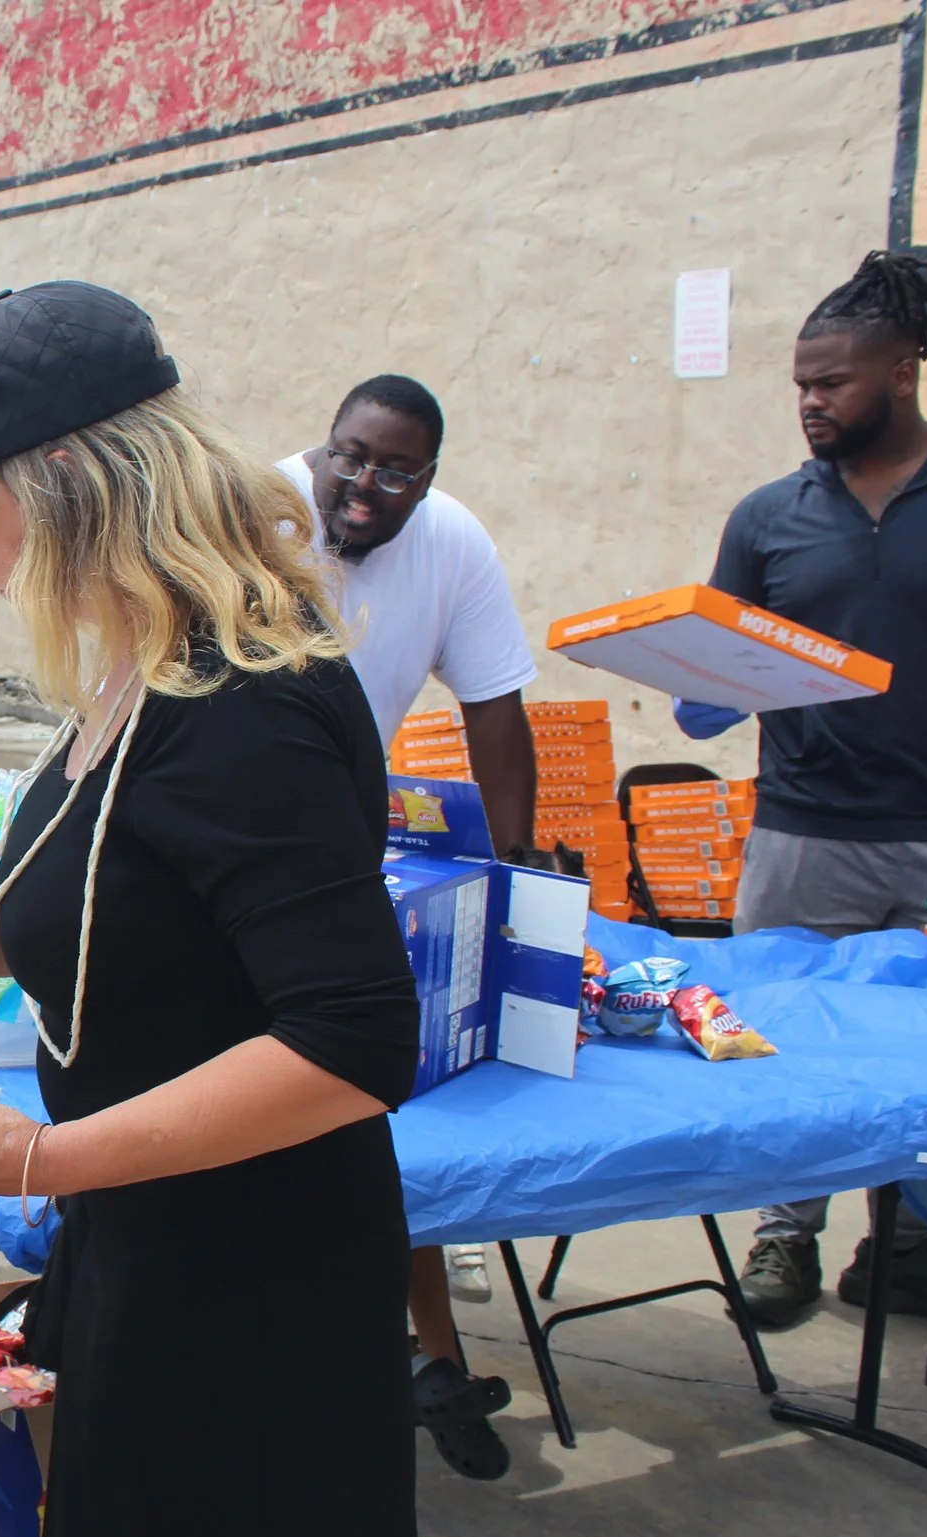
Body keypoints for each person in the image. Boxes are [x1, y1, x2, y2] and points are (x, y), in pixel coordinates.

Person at [0, 283, 426, 1537]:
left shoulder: (250, 702)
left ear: (71, 480)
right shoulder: (145, 662)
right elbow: (131, 892)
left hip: (255, 1280)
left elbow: (354, 1039)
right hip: (144, 1235)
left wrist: (42, 1157)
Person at [673, 251, 927, 1331]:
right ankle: (783, 1238)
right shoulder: (770, 515)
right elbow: (716, 661)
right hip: (803, 832)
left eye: (832, 384)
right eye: (800, 387)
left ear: (902, 373)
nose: (811, 405)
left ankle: (906, 1247)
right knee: (781, 1037)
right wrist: (702, 693)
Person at [278, 372, 542, 1481]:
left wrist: (515, 872)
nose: (364, 484)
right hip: (215, 855)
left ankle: (429, 1357)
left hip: (342, 862)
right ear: (322, 446)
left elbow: (496, 707)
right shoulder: (254, 512)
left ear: (428, 481)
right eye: (350, 456)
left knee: (376, 1105)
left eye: (396, 471)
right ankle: (285, 1364)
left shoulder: (454, 546)